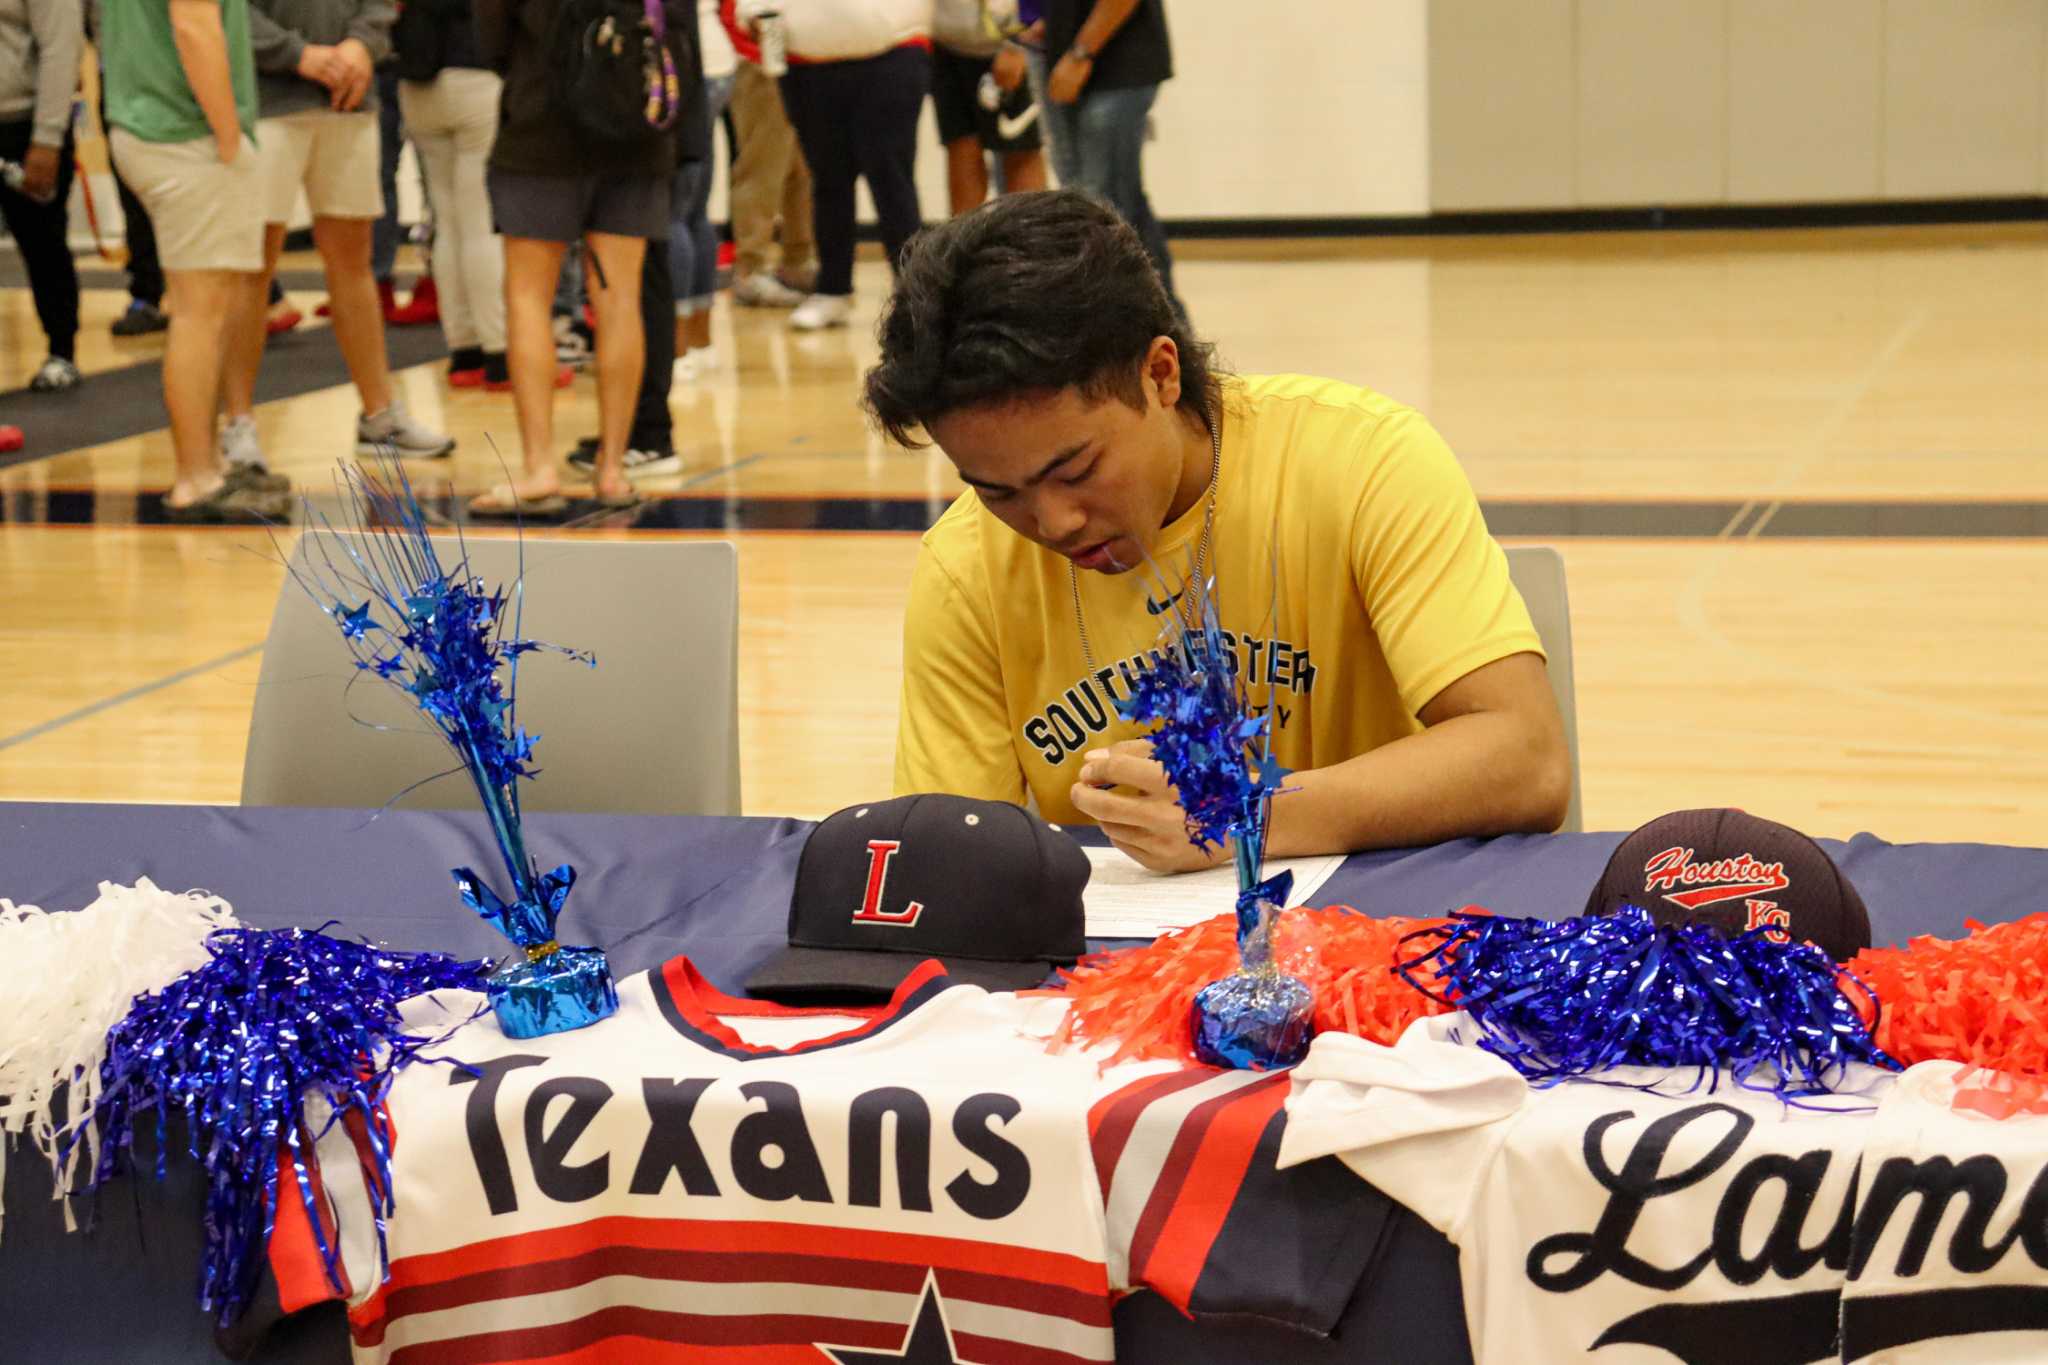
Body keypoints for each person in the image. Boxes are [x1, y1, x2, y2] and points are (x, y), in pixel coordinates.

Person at [867, 191, 1570, 870]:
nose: (1052, 522)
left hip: (1384, 945)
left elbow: (1527, 758)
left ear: (1160, 373)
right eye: (997, 491)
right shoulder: (966, 564)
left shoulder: (1360, 461)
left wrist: (1245, 815)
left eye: (1076, 469)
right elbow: (950, 863)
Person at [468, 0, 697, 516]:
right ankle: (612, 472)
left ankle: (538, 469)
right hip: (635, 128)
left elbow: (491, 35)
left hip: (540, 121)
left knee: (529, 296)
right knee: (620, 299)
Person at [221, 0, 455, 468]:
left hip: (347, 100)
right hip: (265, 102)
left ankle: (379, 415)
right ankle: (238, 424)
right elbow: (227, 10)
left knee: (354, 263)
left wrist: (361, 45)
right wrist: (297, 55)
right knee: (252, 268)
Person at [100, 0, 289, 516]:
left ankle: (207, 467)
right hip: (182, 132)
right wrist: (228, 135)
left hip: (155, 123)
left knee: (205, 307)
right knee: (200, 311)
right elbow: (194, 27)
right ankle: (196, 476)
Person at [728, 0, 930, 332]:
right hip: (806, 63)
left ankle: (916, 293)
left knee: (891, 180)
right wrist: (752, 12)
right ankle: (832, 289)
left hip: (891, 51)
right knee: (827, 180)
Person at [1000, 0, 1176, 305]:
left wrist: (1082, 51)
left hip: (1113, 61)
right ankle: (1158, 315)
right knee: (1096, 201)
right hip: (1058, 49)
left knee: (1104, 205)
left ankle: (1142, 321)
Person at [392, 0, 504, 385]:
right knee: (481, 222)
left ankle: (463, 350)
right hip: (478, 74)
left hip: (418, 78)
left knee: (447, 219)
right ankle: (499, 351)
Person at [0, 0, 83, 392]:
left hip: (25, 125)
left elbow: (61, 46)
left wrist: (47, 137)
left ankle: (61, 351)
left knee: (44, 246)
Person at [723, 23, 812, 308]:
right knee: (762, 167)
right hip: (760, 59)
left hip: (801, 55)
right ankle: (750, 268)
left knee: (802, 169)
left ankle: (797, 261)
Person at [667, 0, 733, 378]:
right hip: (714, 60)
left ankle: (677, 350)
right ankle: (700, 340)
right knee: (694, 211)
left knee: (674, 211)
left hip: (685, 65)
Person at [931, 0, 1044, 215]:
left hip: (1010, 40)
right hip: (946, 42)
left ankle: (1035, 243)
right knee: (961, 147)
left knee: (1021, 153)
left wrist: (1017, 44)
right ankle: (963, 245)